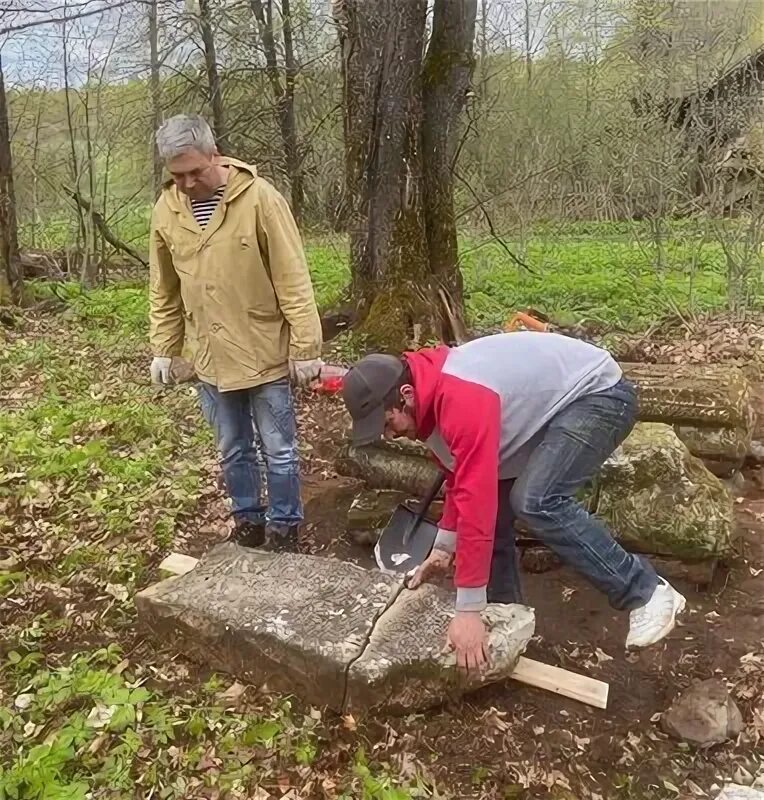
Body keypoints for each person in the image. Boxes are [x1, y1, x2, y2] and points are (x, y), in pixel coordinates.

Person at [340, 332, 687, 671]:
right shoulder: (430, 405)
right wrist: (444, 547)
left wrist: (467, 612)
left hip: (598, 395)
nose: (389, 434)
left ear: (406, 394)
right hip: (548, 412)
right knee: (495, 518)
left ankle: (646, 591)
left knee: (536, 500)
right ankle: (508, 619)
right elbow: (461, 479)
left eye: (388, 422)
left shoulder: (459, 398)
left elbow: (477, 500)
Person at [148, 114, 323, 552]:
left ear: (215, 155)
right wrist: (164, 348)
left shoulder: (259, 199)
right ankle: (248, 522)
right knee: (233, 449)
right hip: (210, 357)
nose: (187, 183)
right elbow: (163, 288)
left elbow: (292, 277)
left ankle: (285, 529)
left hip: (263, 349)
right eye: (177, 175)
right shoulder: (166, 211)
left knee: (279, 449)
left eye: (195, 171)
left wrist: (305, 346)